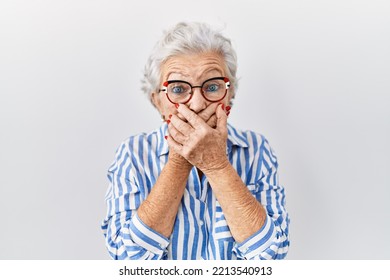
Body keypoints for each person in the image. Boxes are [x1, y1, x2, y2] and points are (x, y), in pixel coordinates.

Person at [101, 22, 290, 260]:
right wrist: (179, 160)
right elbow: (128, 259)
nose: (198, 104)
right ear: (157, 102)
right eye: (178, 89)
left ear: (230, 96)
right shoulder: (133, 153)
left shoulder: (255, 149)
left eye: (212, 87)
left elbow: (271, 258)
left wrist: (217, 165)